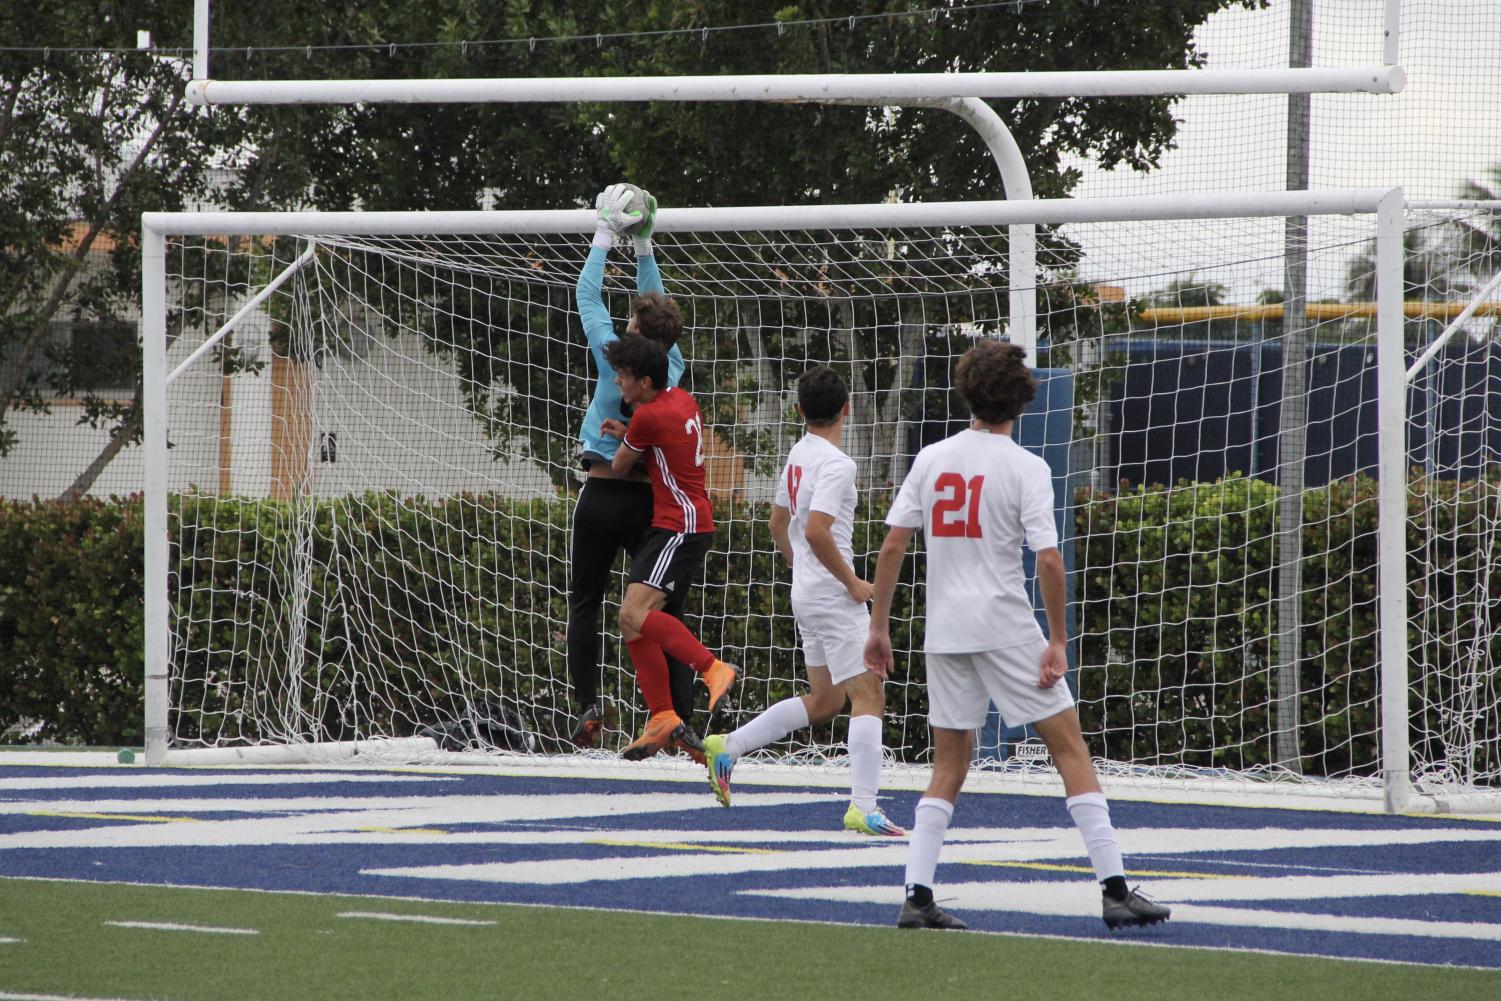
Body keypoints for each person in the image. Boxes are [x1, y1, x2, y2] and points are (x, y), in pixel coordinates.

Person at [864, 339, 1171, 932]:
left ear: (967, 392)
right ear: (1022, 401)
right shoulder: (1028, 466)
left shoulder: (931, 458)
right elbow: (1049, 561)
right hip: (1005, 625)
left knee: (948, 764)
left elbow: (894, 543)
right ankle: (1114, 890)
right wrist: (1056, 639)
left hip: (945, 630)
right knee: (1069, 749)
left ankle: (917, 894)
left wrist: (879, 627)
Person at [701, 367, 903, 837]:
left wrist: (805, 573)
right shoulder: (838, 464)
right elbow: (816, 529)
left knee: (826, 700)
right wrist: (852, 583)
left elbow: (778, 524)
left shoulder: (798, 453)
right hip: (832, 597)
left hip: (807, 595)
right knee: (869, 694)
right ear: (847, 409)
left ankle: (728, 745)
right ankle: (863, 807)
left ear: (799, 411)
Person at [566, 183, 698, 748]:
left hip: (601, 491)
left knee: (586, 601)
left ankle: (589, 703)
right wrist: (645, 248)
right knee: (666, 610)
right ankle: (682, 716)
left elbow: (586, 296)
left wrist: (603, 237)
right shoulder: (674, 365)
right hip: (652, 502)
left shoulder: (610, 351)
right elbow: (658, 312)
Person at [600, 334, 739, 760]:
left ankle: (713, 669)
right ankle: (663, 716)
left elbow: (621, 466)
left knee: (634, 614)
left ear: (644, 382)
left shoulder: (647, 418)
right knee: (632, 621)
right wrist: (634, 434)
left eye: (623, 377)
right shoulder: (681, 399)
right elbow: (665, 445)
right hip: (685, 523)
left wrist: (625, 439)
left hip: (679, 527)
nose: (618, 383)